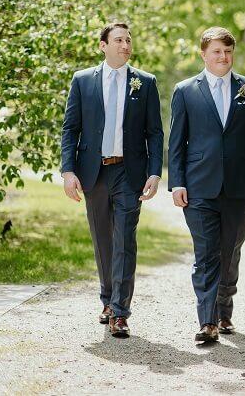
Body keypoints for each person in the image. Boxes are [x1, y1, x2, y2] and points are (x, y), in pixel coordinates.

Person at [168, 26, 245, 343]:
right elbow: (177, 142)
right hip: (199, 185)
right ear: (203, 54)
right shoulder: (186, 91)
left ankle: (224, 311)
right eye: (216, 52)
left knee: (230, 251)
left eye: (227, 52)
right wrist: (177, 183)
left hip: (239, 187)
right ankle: (207, 321)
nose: (223, 57)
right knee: (206, 253)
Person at [60, 22, 163, 338]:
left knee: (124, 240)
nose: (125, 44)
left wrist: (155, 173)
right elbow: (70, 129)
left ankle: (120, 311)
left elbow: (155, 133)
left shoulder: (144, 83)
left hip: (128, 173)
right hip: (94, 171)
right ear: (103, 45)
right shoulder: (82, 81)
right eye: (119, 39)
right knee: (102, 239)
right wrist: (68, 171)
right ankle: (107, 299)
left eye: (129, 40)